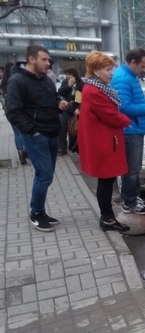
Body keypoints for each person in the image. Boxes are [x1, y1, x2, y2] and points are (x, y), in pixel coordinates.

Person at [4, 45, 69, 232]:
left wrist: (60, 104)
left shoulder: (46, 80)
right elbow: (13, 112)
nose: (48, 63)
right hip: (36, 136)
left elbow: (54, 98)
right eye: (44, 59)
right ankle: (36, 213)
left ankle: (40, 211)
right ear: (31, 59)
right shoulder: (17, 81)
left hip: (51, 133)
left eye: (49, 60)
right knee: (44, 175)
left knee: (46, 176)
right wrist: (33, 132)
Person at [78, 51, 132, 232]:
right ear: (95, 70)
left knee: (107, 181)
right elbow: (110, 116)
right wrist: (127, 120)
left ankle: (107, 216)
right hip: (103, 142)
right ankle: (107, 218)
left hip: (104, 140)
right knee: (106, 181)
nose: (111, 73)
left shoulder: (95, 87)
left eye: (111, 69)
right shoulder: (94, 90)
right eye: (107, 69)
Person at [111, 47, 145, 214]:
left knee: (134, 168)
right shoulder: (123, 78)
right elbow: (123, 107)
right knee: (131, 170)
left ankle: (133, 198)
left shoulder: (129, 76)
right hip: (129, 130)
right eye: (142, 66)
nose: (144, 69)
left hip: (134, 129)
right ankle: (130, 203)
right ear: (133, 62)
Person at [1, 61, 28, 165]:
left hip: (9, 112)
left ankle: (20, 154)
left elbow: (3, 100)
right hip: (21, 111)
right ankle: (25, 151)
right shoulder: (17, 81)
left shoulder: (3, 83)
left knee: (17, 133)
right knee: (23, 132)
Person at [57, 67, 84, 155]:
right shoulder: (65, 82)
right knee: (62, 123)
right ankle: (61, 147)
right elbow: (60, 92)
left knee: (75, 127)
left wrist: (78, 108)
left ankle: (74, 146)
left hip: (76, 108)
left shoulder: (81, 84)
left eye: (70, 74)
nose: (68, 76)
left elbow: (81, 99)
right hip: (67, 108)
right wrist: (68, 85)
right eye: (67, 74)